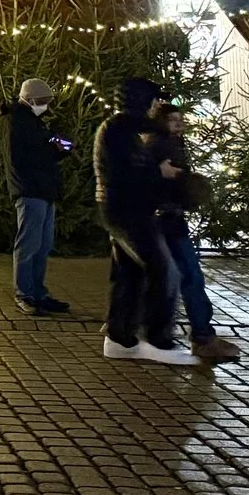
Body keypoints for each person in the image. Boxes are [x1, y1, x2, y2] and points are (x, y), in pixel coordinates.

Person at [96, 76, 194, 365]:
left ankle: (120, 339)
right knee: (164, 270)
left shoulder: (125, 127)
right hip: (127, 210)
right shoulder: (121, 129)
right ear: (141, 100)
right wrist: (160, 172)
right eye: (154, 100)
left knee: (130, 274)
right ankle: (157, 340)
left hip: (124, 208)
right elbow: (125, 172)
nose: (157, 106)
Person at [152, 102, 240, 362]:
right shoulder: (159, 146)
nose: (179, 124)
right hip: (163, 219)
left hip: (171, 218)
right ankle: (201, 336)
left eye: (180, 119)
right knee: (188, 275)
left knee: (181, 276)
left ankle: (198, 334)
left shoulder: (174, 144)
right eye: (172, 120)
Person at [2, 77, 71, 315]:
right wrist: (52, 149)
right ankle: (25, 294)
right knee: (29, 244)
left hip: (43, 189)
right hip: (30, 189)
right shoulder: (15, 121)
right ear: (29, 99)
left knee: (42, 245)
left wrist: (60, 148)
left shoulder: (33, 121)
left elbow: (44, 148)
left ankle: (38, 293)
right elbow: (23, 157)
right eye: (42, 101)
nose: (46, 106)